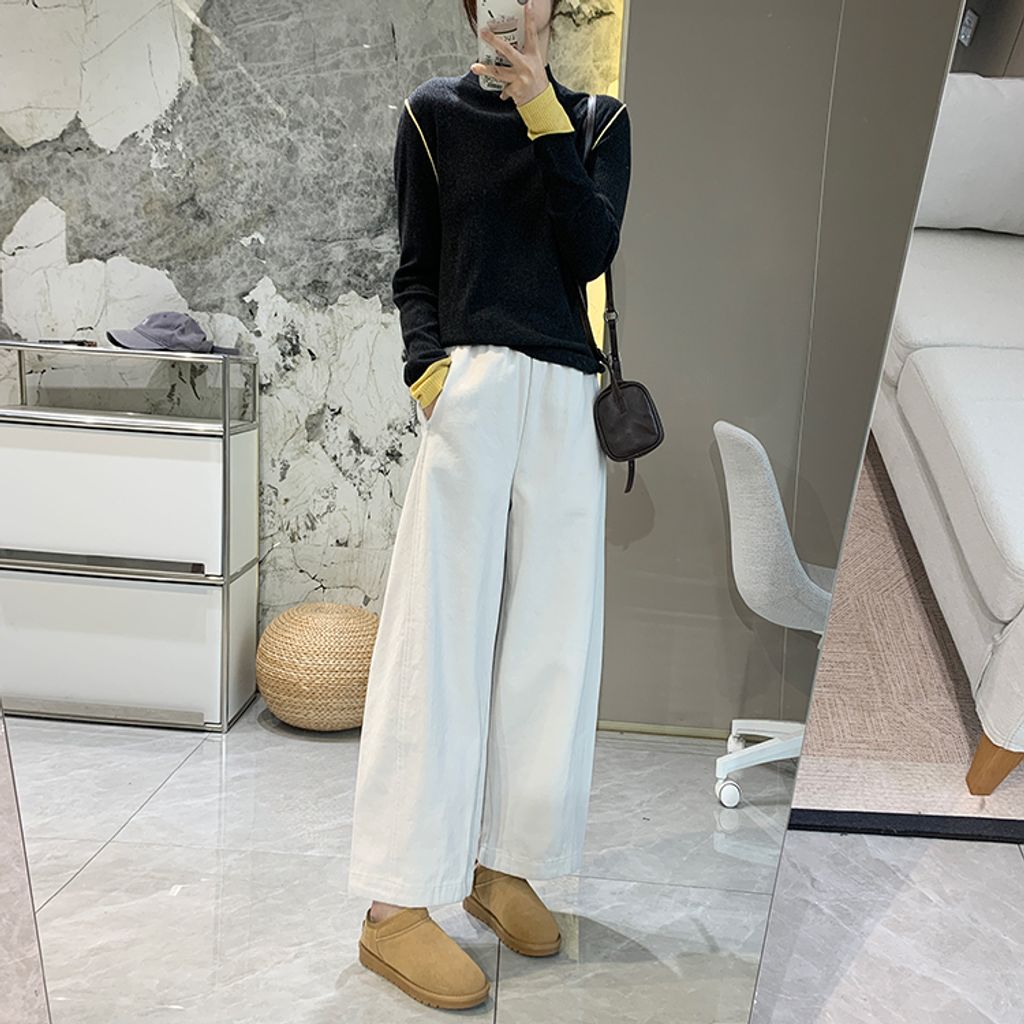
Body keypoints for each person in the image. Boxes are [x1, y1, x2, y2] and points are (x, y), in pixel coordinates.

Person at [347, 0, 632, 1009]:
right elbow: (414, 267)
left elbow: (589, 249)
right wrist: (431, 373)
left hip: (564, 396)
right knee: (437, 640)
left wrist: (543, 109)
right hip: (469, 386)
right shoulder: (430, 113)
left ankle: (506, 863)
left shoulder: (597, 120)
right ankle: (394, 904)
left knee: (552, 644)